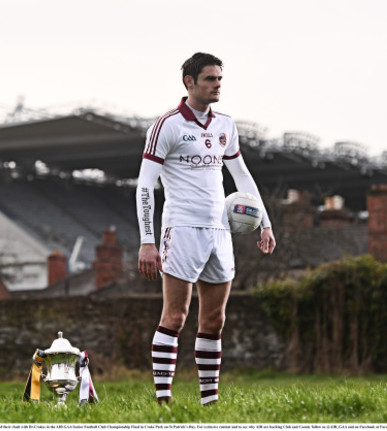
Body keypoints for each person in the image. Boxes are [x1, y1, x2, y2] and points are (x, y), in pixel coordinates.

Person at [135, 52, 276, 406]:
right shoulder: (166, 125)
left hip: (220, 231)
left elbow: (241, 175)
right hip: (181, 228)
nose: (217, 85)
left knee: (214, 319)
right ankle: (163, 402)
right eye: (210, 79)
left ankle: (209, 401)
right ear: (190, 82)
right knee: (176, 315)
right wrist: (147, 241)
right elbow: (145, 186)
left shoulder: (226, 125)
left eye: (220, 79)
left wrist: (265, 222)